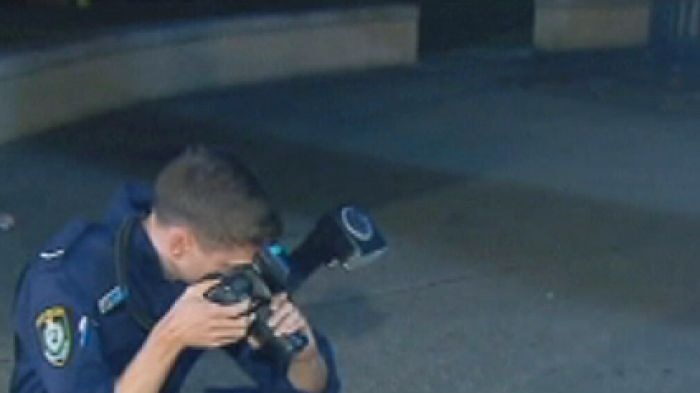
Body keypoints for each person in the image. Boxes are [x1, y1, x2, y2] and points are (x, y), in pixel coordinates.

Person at [10, 147, 340, 393]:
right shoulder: (66, 282)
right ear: (180, 244)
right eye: (228, 267)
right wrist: (170, 337)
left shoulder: (207, 267)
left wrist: (304, 358)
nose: (237, 280)